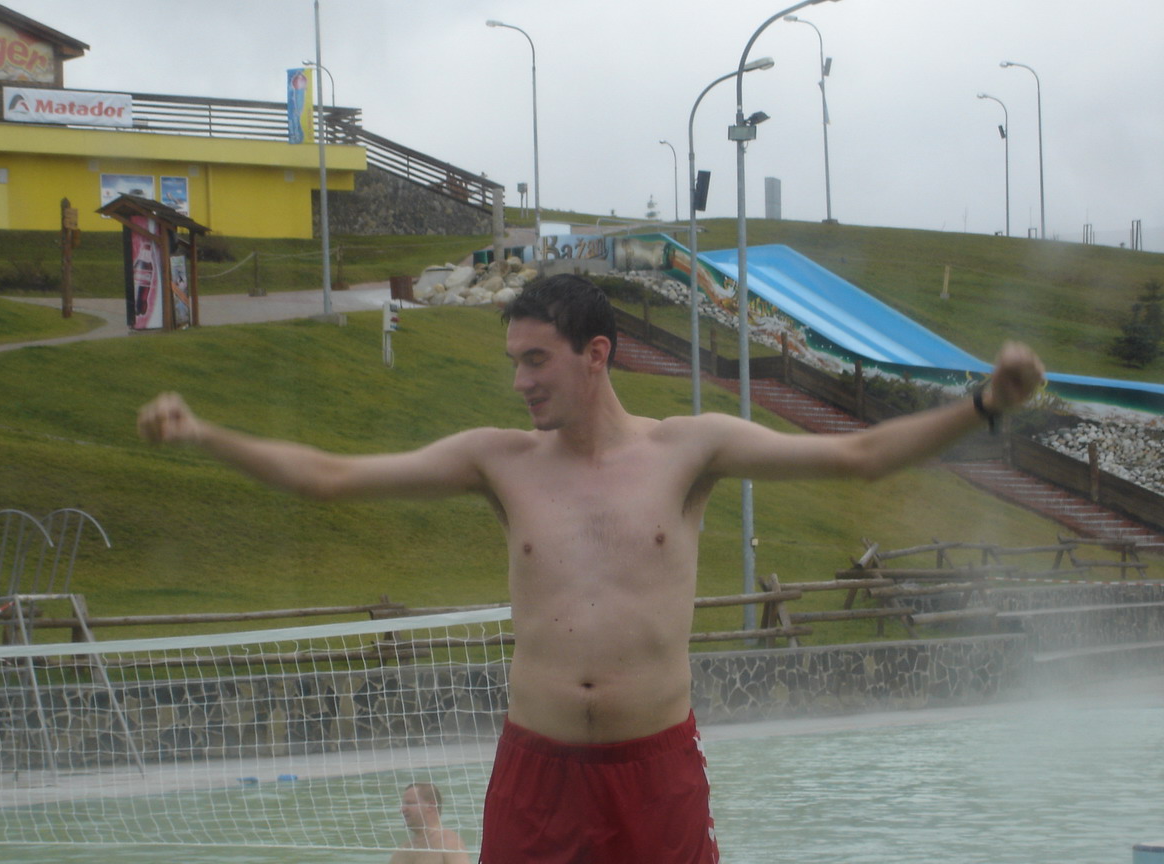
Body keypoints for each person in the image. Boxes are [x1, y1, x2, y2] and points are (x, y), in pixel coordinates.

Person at [138, 273, 1045, 863]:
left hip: (654, 770)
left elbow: (860, 457)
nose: (521, 382)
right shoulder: (498, 461)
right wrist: (205, 434)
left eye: (536, 360)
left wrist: (984, 405)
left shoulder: (689, 450)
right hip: (537, 772)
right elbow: (332, 478)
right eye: (514, 362)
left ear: (596, 355)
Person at [388, 782, 471, 864]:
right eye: (403, 804)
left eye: (410, 803)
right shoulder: (403, 851)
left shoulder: (449, 843)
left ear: (431, 806)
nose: (402, 809)